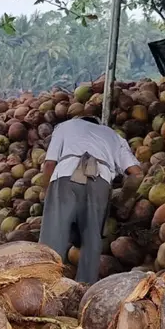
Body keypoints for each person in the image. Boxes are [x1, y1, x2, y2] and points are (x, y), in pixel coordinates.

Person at [38, 114, 139, 283]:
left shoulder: (66, 126)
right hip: (100, 181)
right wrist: (122, 200)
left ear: (80, 119)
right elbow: (136, 174)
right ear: (98, 124)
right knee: (91, 240)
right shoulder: (114, 136)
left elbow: (49, 164)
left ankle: (44, 284)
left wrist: (47, 192)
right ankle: (84, 289)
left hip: (66, 176)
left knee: (53, 236)